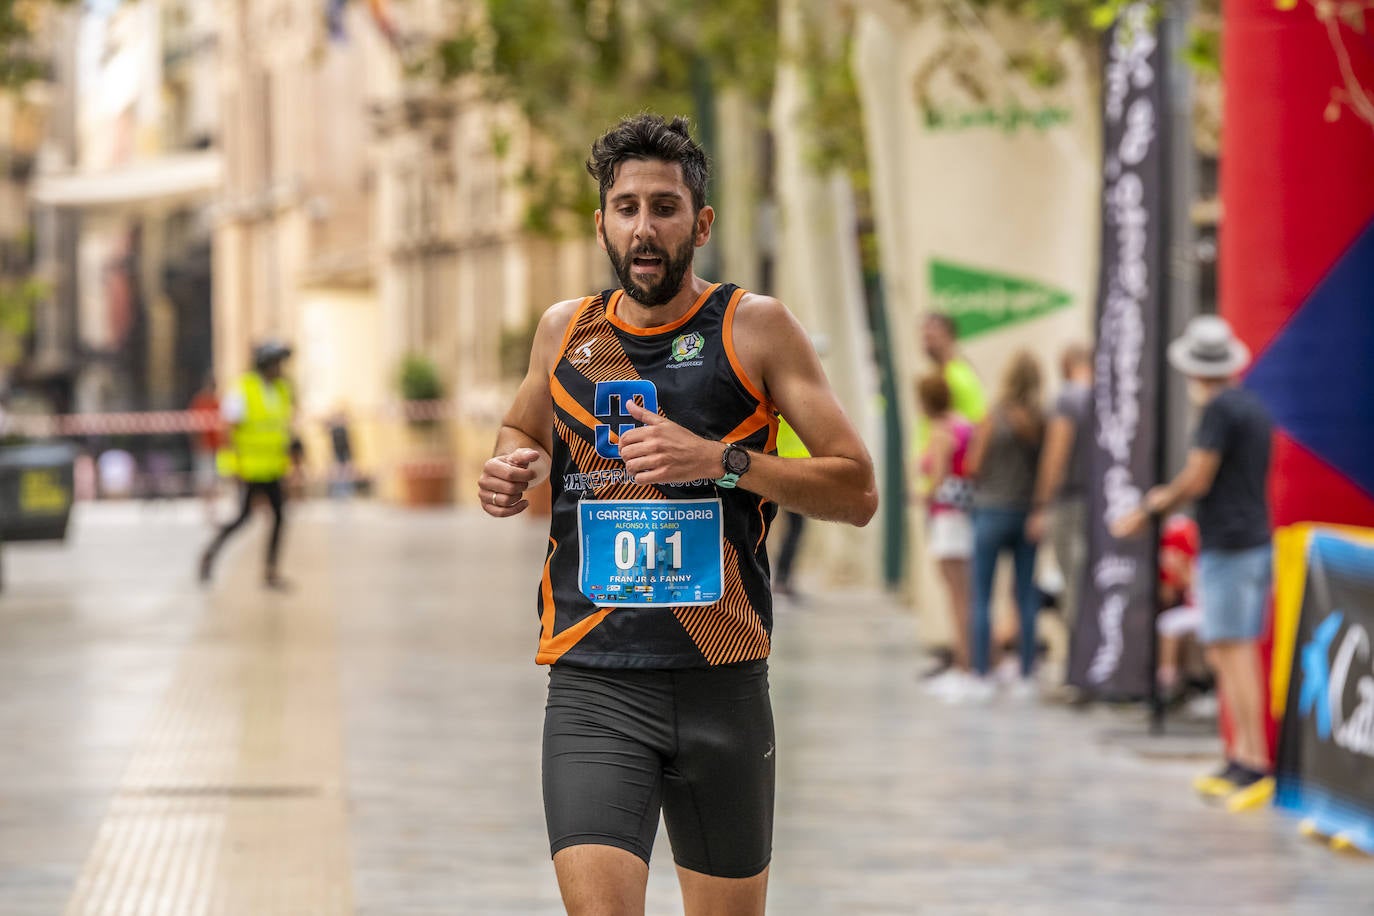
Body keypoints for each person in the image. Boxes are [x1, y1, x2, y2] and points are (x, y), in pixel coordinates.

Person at [476, 114, 877, 916]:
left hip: (721, 685)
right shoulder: (566, 331)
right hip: (594, 683)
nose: (645, 228)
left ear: (701, 223)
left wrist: (723, 463)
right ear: (601, 224)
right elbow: (524, 424)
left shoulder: (753, 328)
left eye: (664, 207)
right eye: (626, 208)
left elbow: (856, 489)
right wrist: (511, 465)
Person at [1112, 315, 1274, 810]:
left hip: (1230, 544)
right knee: (1230, 651)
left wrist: (1153, 506)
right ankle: (1242, 755)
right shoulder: (1251, 407)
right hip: (1248, 541)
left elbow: (1199, 476)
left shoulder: (1220, 412)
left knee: (1234, 650)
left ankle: (1252, 759)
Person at [964, 350, 1045, 700]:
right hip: (1026, 513)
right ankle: (1026, 674)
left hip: (991, 511)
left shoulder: (993, 417)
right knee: (1025, 595)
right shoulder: (1041, 421)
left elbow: (972, 464)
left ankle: (982, 673)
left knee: (981, 594)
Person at [199, 340, 298, 590]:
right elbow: (228, 430)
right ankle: (210, 553)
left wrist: (292, 462)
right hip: (249, 469)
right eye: (276, 364)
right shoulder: (243, 389)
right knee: (243, 519)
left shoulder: (281, 390)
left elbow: (283, 428)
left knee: (279, 518)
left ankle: (270, 571)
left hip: (273, 467)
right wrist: (232, 466)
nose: (280, 369)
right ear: (265, 365)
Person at [914, 373, 976, 700]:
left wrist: (919, 495)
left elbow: (937, 478)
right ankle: (973, 662)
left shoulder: (940, 432)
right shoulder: (963, 424)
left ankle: (965, 666)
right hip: (965, 514)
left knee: (957, 596)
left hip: (947, 518)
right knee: (967, 593)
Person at [1026, 344, 1092, 635]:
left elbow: (1056, 455)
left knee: (1072, 581)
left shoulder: (1068, 398)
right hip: (1099, 503)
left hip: (1070, 502)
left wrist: (1040, 504)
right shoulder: (1105, 398)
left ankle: (1077, 658)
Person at [920, 312, 986, 427]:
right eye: (925, 337)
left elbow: (980, 422)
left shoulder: (958, 376)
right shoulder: (935, 374)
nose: (926, 337)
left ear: (948, 336)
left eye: (931, 335)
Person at [771, 415, 808, 599]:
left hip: (786, 466)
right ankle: (782, 578)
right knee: (795, 529)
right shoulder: (792, 401)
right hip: (794, 470)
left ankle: (783, 577)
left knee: (791, 528)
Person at [188, 375, 225, 522]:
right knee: (205, 479)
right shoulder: (200, 401)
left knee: (213, 479)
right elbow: (194, 425)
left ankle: (212, 507)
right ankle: (205, 507)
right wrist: (198, 444)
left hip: (215, 447)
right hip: (204, 447)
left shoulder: (217, 402)